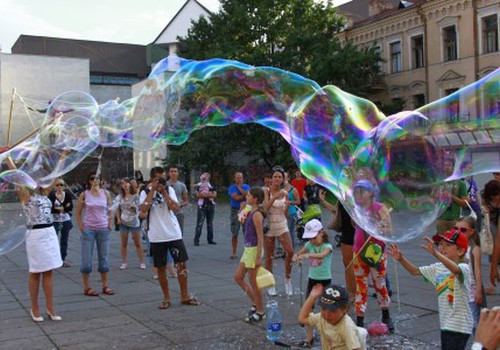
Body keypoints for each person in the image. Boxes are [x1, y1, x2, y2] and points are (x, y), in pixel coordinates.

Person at [389, 229, 473, 350]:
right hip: (446, 324)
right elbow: (415, 271)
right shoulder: (437, 268)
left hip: (460, 325)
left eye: (448, 245)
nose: (442, 248)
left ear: (460, 251)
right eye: (440, 244)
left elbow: (455, 270)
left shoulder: (464, 267)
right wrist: (401, 259)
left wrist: (435, 254)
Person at [5, 152, 63, 322]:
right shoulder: (25, 194)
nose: (39, 180)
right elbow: (16, 175)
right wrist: (8, 158)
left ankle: (50, 307)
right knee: (36, 272)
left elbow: (57, 173)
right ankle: (35, 307)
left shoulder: (44, 194)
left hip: (49, 233)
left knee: (49, 271)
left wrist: (64, 156)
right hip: (35, 235)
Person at [140, 166, 201, 309]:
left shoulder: (169, 189)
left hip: (173, 233)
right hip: (156, 235)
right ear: (152, 179)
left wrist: (164, 193)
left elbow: (175, 208)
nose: (161, 181)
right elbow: (143, 209)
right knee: (160, 267)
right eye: (158, 179)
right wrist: (153, 190)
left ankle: (185, 295)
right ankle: (166, 297)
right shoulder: (144, 192)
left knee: (181, 264)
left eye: (163, 178)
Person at [351, 179, 394, 331]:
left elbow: (389, 231)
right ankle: (360, 320)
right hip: (358, 252)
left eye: (362, 191)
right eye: (356, 191)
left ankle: (386, 314)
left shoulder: (379, 208)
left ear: (371, 193)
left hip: (377, 253)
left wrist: (380, 227)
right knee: (361, 286)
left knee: (380, 285)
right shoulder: (356, 209)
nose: (358, 195)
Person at [293, 219, 333, 347]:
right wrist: (296, 256)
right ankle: (309, 336)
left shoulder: (327, 246)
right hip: (312, 279)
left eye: (313, 237)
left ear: (321, 233)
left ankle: (326, 333)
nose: (311, 241)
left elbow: (322, 255)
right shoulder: (309, 245)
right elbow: (300, 252)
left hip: (325, 280)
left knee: (326, 307)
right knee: (309, 307)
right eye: (309, 238)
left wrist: (307, 256)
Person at [75, 173, 115, 297]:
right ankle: (87, 287)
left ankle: (105, 286)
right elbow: (78, 213)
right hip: (89, 230)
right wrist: (81, 227)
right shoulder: (84, 194)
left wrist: (110, 224)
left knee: (104, 259)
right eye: (92, 178)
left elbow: (110, 210)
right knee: (86, 261)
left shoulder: (106, 193)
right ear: (89, 181)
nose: (95, 180)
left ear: (101, 180)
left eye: (97, 178)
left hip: (103, 229)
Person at [298, 284, 367, 350]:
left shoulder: (346, 327)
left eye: (332, 311)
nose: (327, 314)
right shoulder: (321, 318)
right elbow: (302, 319)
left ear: (345, 309)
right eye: (324, 309)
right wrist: (312, 297)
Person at [233, 187, 266, 323]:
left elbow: (260, 236)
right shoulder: (250, 211)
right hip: (248, 249)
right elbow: (240, 219)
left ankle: (260, 310)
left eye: (249, 196)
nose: (247, 197)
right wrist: (242, 208)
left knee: (253, 282)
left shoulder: (257, 214)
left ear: (256, 199)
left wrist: (258, 256)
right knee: (238, 277)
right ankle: (255, 303)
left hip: (254, 250)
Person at [319, 189, 356, 299]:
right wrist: (323, 201)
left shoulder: (358, 200)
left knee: (357, 266)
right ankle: (351, 293)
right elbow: (335, 210)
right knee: (348, 265)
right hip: (346, 234)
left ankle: (356, 292)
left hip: (358, 235)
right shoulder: (342, 200)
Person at [263, 166, 294, 296]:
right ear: (271, 178)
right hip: (269, 225)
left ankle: (288, 279)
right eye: (275, 176)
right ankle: (270, 284)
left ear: (283, 179)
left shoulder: (285, 193)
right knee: (269, 256)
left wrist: (286, 206)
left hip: (281, 224)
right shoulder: (266, 190)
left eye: (279, 177)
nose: (277, 179)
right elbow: (265, 207)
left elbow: (285, 212)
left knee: (290, 251)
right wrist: (275, 196)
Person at [115, 177, 145, 270]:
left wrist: (134, 207)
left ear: (130, 184)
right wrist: (118, 219)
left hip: (134, 222)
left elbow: (139, 209)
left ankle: (142, 262)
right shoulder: (119, 197)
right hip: (124, 222)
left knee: (138, 243)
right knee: (124, 243)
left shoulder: (135, 196)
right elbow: (116, 208)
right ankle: (124, 262)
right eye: (123, 183)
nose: (125, 185)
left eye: (127, 183)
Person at [435, 159, 469, 236]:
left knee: (455, 243)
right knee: (443, 243)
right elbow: (433, 200)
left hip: (455, 220)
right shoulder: (439, 182)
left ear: (454, 168)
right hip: (441, 219)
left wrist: (451, 196)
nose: (446, 167)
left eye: (449, 165)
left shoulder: (461, 183)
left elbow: (465, 204)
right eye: (444, 165)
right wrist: (436, 197)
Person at [48, 179, 73, 267]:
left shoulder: (67, 195)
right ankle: (53, 260)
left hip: (65, 220)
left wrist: (58, 208)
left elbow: (70, 208)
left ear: (64, 186)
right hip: (55, 221)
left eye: (61, 185)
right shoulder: (51, 195)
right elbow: (51, 209)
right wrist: (63, 208)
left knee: (64, 241)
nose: (59, 186)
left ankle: (62, 260)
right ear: (55, 186)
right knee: (53, 241)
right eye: (57, 185)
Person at [481, 179, 500, 293]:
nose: (497, 198)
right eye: (494, 196)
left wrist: (493, 270)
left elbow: (498, 241)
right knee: (491, 246)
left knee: (496, 245)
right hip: (491, 224)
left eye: (498, 194)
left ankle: (495, 270)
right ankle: (492, 283)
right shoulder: (486, 197)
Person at [228, 171, 250, 259]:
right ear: (234, 178)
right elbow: (236, 198)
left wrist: (240, 189)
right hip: (235, 210)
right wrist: (243, 195)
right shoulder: (231, 188)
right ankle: (234, 252)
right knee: (234, 232)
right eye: (237, 177)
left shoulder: (246, 186)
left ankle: (247, 251)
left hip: (245, 210)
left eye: (240, 177)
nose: (239, 179)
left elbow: (248, 195)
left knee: (246, 232)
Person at [194, 172, 217, 246]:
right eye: (203, 177)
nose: (204, 178)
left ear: (209, 178)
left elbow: (214, 195)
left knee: (210, 223)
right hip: (202, 206)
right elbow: (198, 195)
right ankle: (196, 240)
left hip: (211, 205)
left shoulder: (212, 185)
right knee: (199, 223)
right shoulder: (200, 185)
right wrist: (209, 195)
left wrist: (204, 195)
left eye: (206, 177)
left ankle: (210, 239)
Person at [167, 165, 189, 234]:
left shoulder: (182, 185)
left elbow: (186, 201)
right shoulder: (165, 185)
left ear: (178, 173)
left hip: (178, 212)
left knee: (179, 231)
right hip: (167, 212)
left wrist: (180, 205)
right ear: (169, 173)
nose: (173, 173)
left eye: (175, 171)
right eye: (171, 171)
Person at [461, 161, 482, 228]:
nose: (471, 170)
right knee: (468, 228)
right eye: (469, 168)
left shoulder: (472, 181)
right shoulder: (461, 181)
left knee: (478, 229)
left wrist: (480, 207)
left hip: (476, 208)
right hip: (467, 209)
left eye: (471, 168)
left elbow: (476, 195)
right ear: (463, 169)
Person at [284, 172, 300, 249]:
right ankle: (284, 249)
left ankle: (291, 249)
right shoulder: (280, 189)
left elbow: (298, 201)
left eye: (284, 177)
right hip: (282, 213)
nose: (283, 179)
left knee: (290, 232)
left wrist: (290, 202)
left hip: (291, 213)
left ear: (288, 178)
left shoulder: (293, 189)